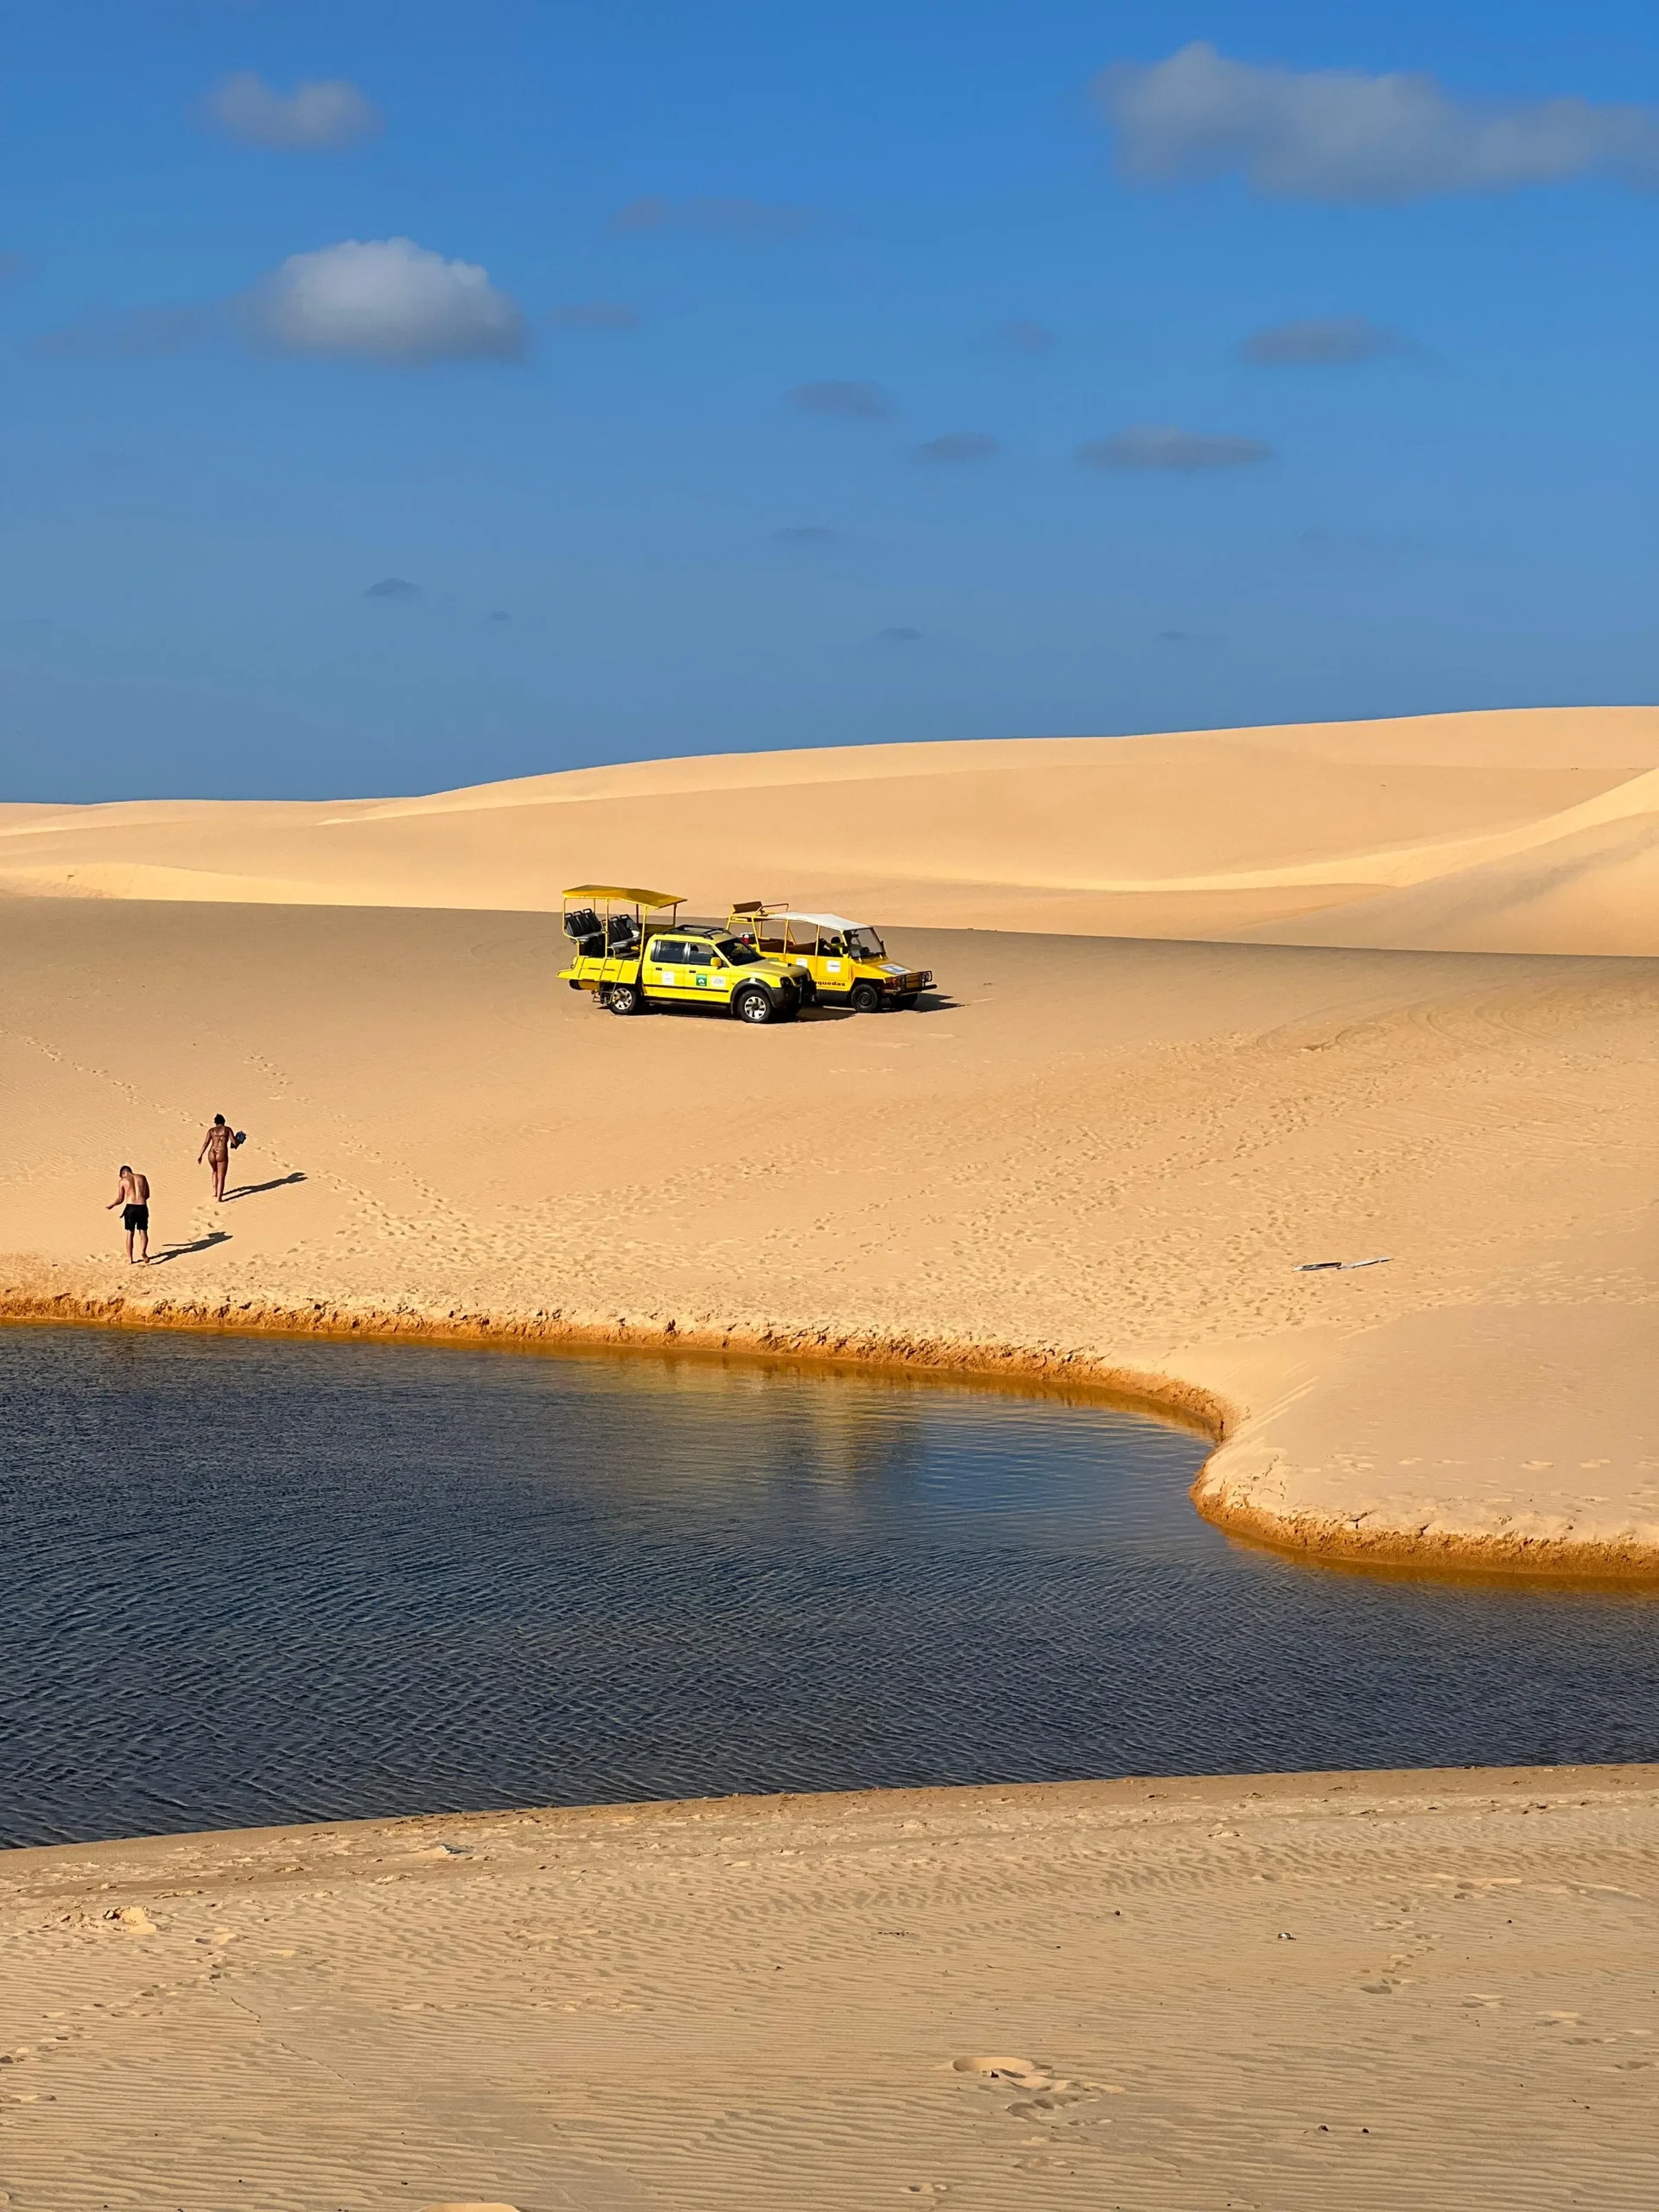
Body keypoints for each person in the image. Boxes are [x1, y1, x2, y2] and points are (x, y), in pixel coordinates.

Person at [107, 1166, 150, 1265]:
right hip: (142, 1206)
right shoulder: (142, 1177)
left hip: (130, 1208)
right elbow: (147, 1195)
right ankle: (143, 1252)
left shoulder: (123, 1181)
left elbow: (120, 1198)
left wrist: (112, 1205)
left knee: (130, 1233)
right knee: (143, 1231)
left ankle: (130, 1259)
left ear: (123, 1173)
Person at [198, 1114, 238, 1203]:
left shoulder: (211, 1131)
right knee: (221, 1177)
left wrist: (200, 1155)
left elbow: (206, 1143)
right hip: (222, 1152)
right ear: (224, 1122)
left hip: (211, 1152)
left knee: (214, 1171)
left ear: (215, 1122)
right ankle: (219, 1198)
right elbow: (234, 1142)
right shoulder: (227, 1129)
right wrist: (239, 1140)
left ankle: (215, 1192)